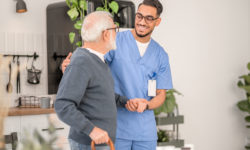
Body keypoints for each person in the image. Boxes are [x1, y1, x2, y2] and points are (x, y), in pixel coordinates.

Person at [62, 0, 173, 149]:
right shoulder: (115, 41)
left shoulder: (160, 55)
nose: (142, 22)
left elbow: (161, 95)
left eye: (148, 18)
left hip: (145, 133)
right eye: (139, 16)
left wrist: (147, 105)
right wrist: (71, 69)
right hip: (117, 128)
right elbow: (91, 61)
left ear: (157, 21)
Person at [55, 11, 147, 150]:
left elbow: (100, 95)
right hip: (88, 144)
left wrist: (126, 102)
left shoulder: (97, 60)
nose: (117, 33)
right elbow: (63, 105)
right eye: (115, 29)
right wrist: (91, 130)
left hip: (101, 144)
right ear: (105, 34)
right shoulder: (82, 62)